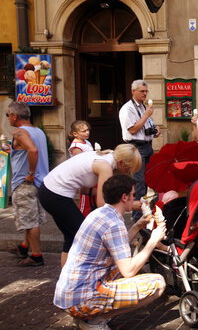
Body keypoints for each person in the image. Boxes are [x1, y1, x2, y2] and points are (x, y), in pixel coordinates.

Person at [54, 174, 166, 330]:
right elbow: (128, 270)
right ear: (124, 197)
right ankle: (94, 320)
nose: (135, 199)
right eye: (133, 195)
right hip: (81, 300)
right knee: (158, 284)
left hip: (69, 294)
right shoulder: (115, 224)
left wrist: (137, 227)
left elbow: (117, 247)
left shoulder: (100, 213)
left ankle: (89, 316)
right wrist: (153, 241)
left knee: (123, 264)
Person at [38, 144, 141, 266]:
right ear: (121, 162)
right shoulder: (105, 166)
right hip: (55, 194)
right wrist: (129, 204)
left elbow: (85, 190)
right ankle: (75, 274)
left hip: (50, 191)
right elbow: (102, 204)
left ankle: (67, 276)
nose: (129, 173)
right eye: (129, 169)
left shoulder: (106, 156)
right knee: (83, 235)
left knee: (72, 237)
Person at [3, 101, 49, 267]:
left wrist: (30, 173)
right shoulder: (38, 131)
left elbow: (33, 150)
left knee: (30, 221)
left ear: (15, 116)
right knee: (32, 217)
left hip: (25, 183)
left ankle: (36, 256)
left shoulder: (19, 133)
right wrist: (12, 150)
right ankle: (24, 247)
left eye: (8, 115)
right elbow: (29, 150)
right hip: (40, 182)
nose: (8, 118)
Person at [118, 79, 160, 215]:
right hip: (136, 147)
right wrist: (146, 115)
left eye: (146, 91)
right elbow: (133, 130)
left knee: (149, 181)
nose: (145, 94)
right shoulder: (127, 109)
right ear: (133, 91)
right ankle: (137, 217)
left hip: (147, 146)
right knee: (139, 182)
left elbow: (147, 127)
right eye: (142, 91)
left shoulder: (143, 107)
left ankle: (146, 212)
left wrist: (156, 129)